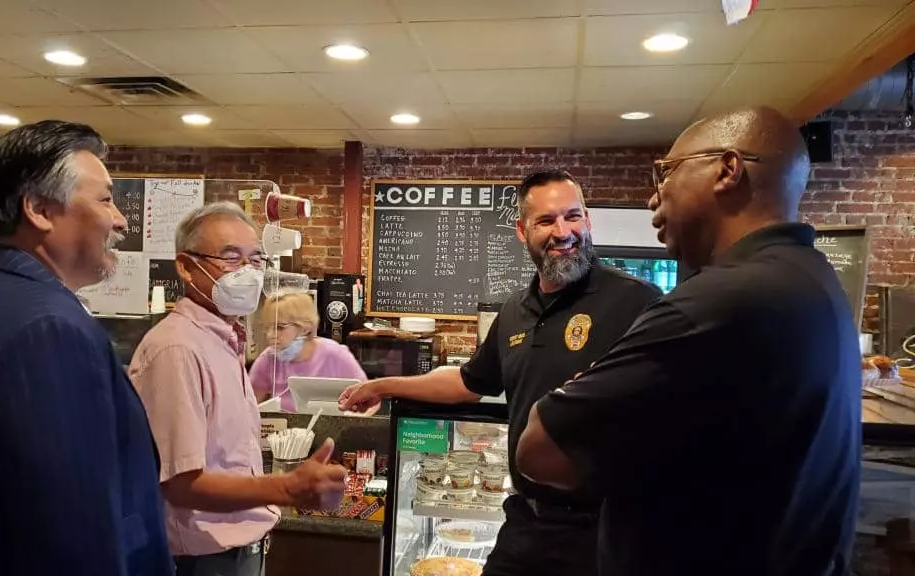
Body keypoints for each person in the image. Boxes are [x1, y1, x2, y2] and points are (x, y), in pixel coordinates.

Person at [517, 107, 861, 576]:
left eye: (666, 173)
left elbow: (540, 449)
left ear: (727, 170)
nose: (652, 198)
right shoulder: (812, 278)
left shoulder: (717, 303)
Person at [338, 170, 662, 576]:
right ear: (522, 232)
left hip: (606, 529)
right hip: (527, 520)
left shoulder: (637, 301)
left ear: (588, 221)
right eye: (546, 221)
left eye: (573, 216)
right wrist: (382, 385)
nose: (563, 232)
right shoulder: (513, 311)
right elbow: (468, 383)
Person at [0, 120, 174, 576]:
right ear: (39, 210)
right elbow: (71, 531)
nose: (121, 219)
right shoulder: (46, 329)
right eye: (106, 199)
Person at [129, 202, 347, 576]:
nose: (246, 272)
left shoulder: (222, 340)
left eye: (256, 260)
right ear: (185, 265)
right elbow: (180, 483)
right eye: (231, 258)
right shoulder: (177, 348)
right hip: (201, 560)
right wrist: (285, 488)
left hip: (238, 552)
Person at [249, 291, 368, 412]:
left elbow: (368, 400)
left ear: (305, 328)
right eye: (267, 328)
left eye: (279, 327)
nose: (270, 335)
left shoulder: (335, 355)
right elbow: (248, 405)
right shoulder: (268, 359)